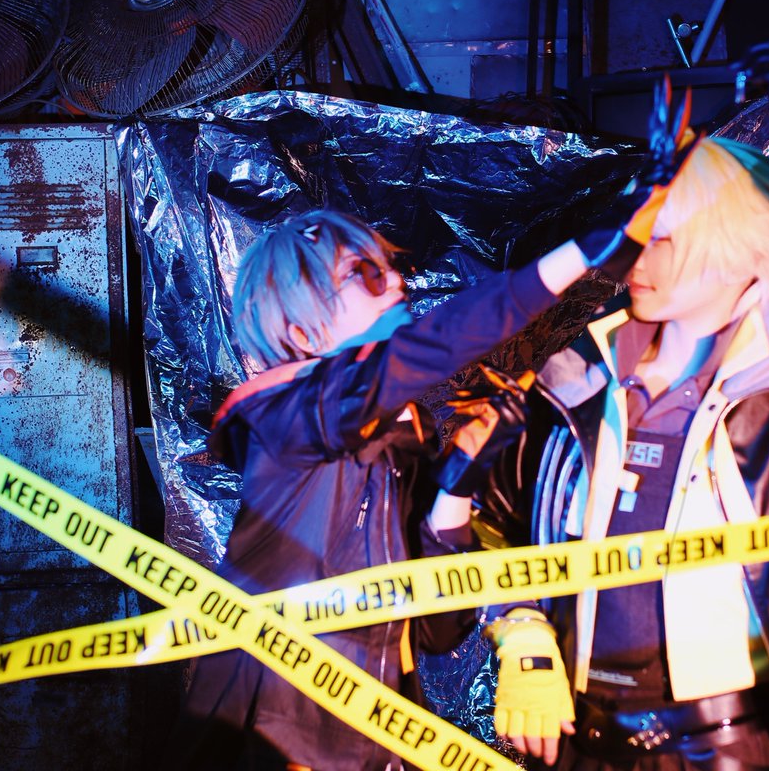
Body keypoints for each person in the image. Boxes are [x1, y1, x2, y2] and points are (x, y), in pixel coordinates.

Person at [449, 44, 769, 771]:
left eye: (665, 238)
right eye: (640, 233)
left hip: (729, 748)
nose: (639, 256)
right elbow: (489, 524)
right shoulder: (576, 382)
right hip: (584, 745)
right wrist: (521, 632)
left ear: (739, 249)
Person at [166, 184, 668, 771]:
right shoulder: (284, 419)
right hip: (276, 736)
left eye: (389, 266)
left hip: (377, 736)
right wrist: (586, 250)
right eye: (365, 275)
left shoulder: (398, 441)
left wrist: (455, 485)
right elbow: (435, 343)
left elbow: (438, 629)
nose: (396, 282)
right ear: (304, 334)